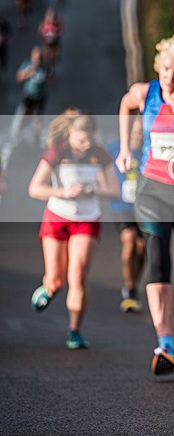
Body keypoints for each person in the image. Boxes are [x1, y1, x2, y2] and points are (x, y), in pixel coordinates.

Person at [117, 33, 174, 375]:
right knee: (157, 261)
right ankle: (165, 343)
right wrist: (126, 148)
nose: (171, 78)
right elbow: (125, 104)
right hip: (153, 190)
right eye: (167, 69)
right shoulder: (146, 92)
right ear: (159, 67)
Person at [28, 110, 118, 349]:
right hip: (57, 216)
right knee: (56, 280)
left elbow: (114, 190)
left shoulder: (100, 155)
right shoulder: (56, 153)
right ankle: (49, 287)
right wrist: (63, 192)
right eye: (80, 139)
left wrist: (92, 190)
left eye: (89, 139)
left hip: (86, 219)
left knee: (78, 276)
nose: (85, 144)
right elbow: (35, 188)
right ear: (70, 133)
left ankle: (74, 331)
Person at [107, 117, 145, 313]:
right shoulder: (114, 149)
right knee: (129, 240)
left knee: (141, 248)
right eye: (134, 133)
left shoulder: (149, 149)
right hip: (121, 205)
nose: (137, 137)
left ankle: (133, 286)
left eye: (141, 133)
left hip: (144, 206)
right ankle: (129, 290)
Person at [16, 46, 49, 140]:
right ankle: (20, 130)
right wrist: (29, 73)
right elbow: (19, 77)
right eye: (35, 57)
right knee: (27, 113)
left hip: (40, 96)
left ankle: (36, 135)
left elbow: (52, 81)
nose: (37, 60)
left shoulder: (44, 67)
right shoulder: (27, 64)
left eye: (39, 58)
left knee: (38, 116)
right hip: (29, 95)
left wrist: (47, 77)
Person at [38, 8, 63, 76]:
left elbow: (60, 32)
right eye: (48, 16)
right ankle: (47, 66)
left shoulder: (57, 24)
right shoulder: (43, 24)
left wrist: (57, 35)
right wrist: (43, 35)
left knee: (53, 55)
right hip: (46, 43)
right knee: (47, 55)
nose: (50, 18)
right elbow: (40, 31)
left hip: (54, 43)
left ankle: (51, 65)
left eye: (51, 17)